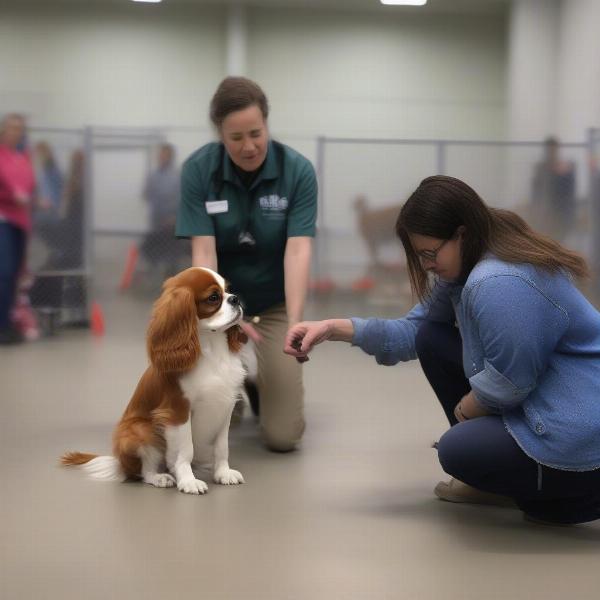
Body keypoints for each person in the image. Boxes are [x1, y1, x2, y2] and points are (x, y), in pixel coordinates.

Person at [285, 175, 600, 525]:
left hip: (578, 422)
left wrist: (471, 406)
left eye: (429, 254)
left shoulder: (498, 281)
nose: (426, 266)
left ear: (462, 234)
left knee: (461, 452)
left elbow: (513, 382)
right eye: (420, 256)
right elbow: (413, 332)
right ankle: (513, 480)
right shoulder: (465, 270)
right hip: (548, 395)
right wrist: (333, 328)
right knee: (432, 340)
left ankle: (575, 487)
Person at [176, 77, 317, 452]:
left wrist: (296, 323)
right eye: (235, 137)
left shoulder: (297, 171)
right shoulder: (198, 171)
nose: (249, 146)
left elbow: (298, 250)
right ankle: (237, 389)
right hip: (221, 301)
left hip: (274, 302)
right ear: (220, 134)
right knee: (207, 423)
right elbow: (204, 253)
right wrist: (216, 316)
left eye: (256, 133)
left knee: (283, 437)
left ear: (267, 124)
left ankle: (259, 384)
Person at [0, 114, 36, 345]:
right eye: (12, 127)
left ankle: (8, 323)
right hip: (3, 219)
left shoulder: (22, 158)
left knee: (14, 274)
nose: (16, 132)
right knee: (4, 272)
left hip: (20, 222)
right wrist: (11, 196)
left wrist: (30, 199)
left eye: (19, 128)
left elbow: (30, 186)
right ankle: (2, 325)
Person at [140, 143, 187, 273]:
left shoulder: (176, 176)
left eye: (164, 154)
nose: (161, 157)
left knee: (171, 256)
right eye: (160, 154)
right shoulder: (153, 176)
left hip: (171, 222)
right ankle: (153, 279)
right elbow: (146, 194)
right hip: (156, 221)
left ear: (170, 156)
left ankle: (171, 277)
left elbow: (181, 199)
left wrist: (174, 217)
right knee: (154, 252)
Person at [531, 136, 576, 242]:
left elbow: (569, 192)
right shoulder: (541, 168)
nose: (551, 152)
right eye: (549, 149)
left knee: (559, 241)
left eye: (553, 149)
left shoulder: (565, 168)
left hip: (561, 213)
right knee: (545, 242)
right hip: (544, 212)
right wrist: (535, 208)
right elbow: (535, 190)